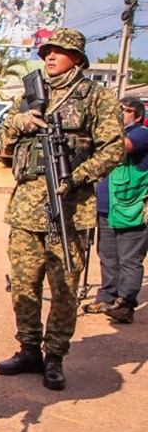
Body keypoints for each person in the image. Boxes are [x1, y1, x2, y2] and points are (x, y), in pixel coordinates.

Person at [0, 28, 124, 391]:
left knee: (65, 287)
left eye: (58, 51)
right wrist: (19, 123)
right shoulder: (30, 96)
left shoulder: (95, 97)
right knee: (23, 286)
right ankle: (29, 350)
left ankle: (54, 356)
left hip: (69, 209)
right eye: (47, 51)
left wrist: (77, 177)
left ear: (78, 58)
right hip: (25, 210)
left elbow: (113, 149)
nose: (49, 56)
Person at [84, 96, 148, 324]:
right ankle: (107, 296)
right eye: (117, 109)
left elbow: (122, 147)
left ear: (137, 115)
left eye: (126, 110)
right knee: (107, 255)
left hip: (131, 209)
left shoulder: (141, 133)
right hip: (107, 209)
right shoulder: (112, 134)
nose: (120, 113)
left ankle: (126, 304)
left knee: (129, 259)